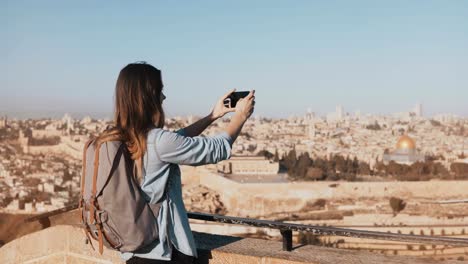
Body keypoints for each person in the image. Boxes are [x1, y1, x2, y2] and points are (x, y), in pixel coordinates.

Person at [97, 62, 255, 263]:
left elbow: (175, 140)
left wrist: (212, 116)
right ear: (149, 96)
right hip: (165, 250)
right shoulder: (158, 141)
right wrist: (241, 116)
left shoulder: (115, 137)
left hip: (133, 250)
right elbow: (215, 149)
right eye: (160, 91)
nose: (164, 97)